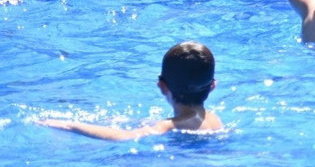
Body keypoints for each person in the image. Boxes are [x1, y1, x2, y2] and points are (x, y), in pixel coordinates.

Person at [38, 41, 222, 140]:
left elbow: (125, 137)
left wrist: (71, 125)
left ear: (161, 86)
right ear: (213, 86)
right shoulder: (213, 119)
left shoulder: (168, 126)